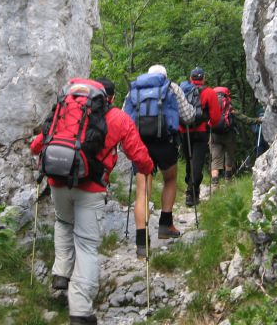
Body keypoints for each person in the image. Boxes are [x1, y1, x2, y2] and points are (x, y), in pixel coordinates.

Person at [30, 77, 153, 325]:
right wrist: (147, 168)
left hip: (57, 182)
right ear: (111, 98)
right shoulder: (118, 118)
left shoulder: (68, 112)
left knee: (64, 224)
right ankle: (80, 311)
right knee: (86, 245)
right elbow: (139, 155)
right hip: (91, 187)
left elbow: (36, 146)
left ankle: (61, 273)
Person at [123, 64, 195, 258]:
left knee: (142, 191)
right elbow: (188, 116)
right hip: (165, 142)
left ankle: (141, 243)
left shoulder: (134, 90)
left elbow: (124, 118)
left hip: (140, 145)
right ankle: (165, 225)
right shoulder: (171, 87)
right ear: (164, 75)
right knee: (170, 179)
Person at [179, 67, 220, 207]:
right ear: (203, 78)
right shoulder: (209, 92)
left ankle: (192, 189)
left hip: (184, 131)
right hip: (201, 131)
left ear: (191, 78)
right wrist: (209, 123)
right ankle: (192, 193)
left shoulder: (182, 91)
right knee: (197, 162)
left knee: (189, 160)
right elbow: (215, 117)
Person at [209, 88, 262, 185]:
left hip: (214, 136)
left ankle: (215, 185)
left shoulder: (211, 107)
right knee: (229, 157)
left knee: (215, 160)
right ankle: (228, 182)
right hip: (229, 136)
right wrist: (257, 120)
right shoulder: (229, 108)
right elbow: (244, 119)